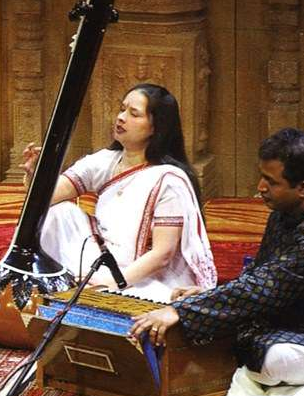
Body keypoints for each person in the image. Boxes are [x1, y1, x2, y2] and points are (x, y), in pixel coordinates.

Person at [130, 128, 304, 396]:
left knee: (273, 359)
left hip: (294, 330)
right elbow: (260, 275)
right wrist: (207, 296)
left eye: (271, 181)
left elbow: (263, 288)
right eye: (262, 176)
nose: (260, 187)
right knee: (246, 345)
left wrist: (181, 311)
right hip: (284, 323)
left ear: (301, 188)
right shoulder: (282, 215)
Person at [21, 83, 215, 302]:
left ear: (156, 127)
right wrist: (37, 174)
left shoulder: (169, 179)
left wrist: (113, 282)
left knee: (158, 300)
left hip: (145, 276)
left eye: (134, 114)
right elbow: (45, 198)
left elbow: (162, 254)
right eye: (122, 109)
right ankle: (70, 283)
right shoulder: (105, 161)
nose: (121, 118)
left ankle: (95, 290)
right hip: (103, 261)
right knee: (59, 213)